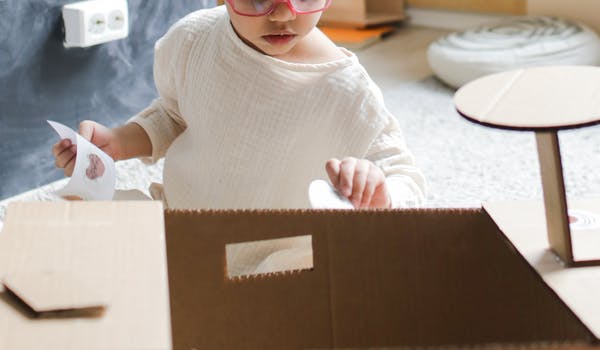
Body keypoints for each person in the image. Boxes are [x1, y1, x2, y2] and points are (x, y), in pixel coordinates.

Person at [52, 0, 427, 210]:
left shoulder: (346, 90)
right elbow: (175, 113)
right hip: (179, 218)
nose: (282, 15)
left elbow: (406, 180)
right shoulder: (194, 38)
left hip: (277, 253)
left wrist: (380, 191)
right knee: (74, 223)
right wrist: (118, 141)